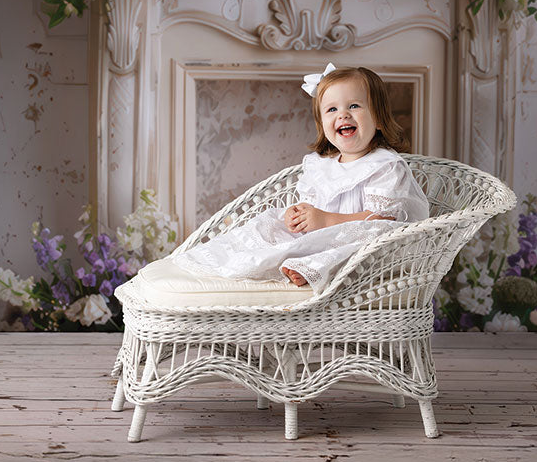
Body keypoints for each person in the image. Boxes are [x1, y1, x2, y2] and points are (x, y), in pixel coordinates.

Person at [171, 64, 430, 293]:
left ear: (379, 119)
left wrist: (326, 220)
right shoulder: (321, 166)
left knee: (357, 246)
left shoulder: (384, 165)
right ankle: (234, 257)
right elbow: (311, 207)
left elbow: (383, 221)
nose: (342, 115)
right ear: (322, 124)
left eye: (354, 106)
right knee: (269, 225)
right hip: (321, 235)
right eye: (331, 109)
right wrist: (296, 216)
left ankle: (313, 268)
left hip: (363, 240)